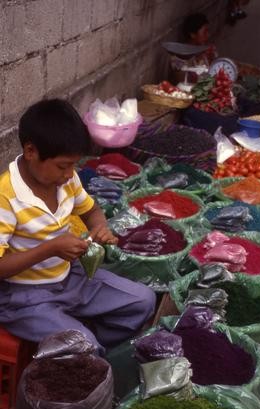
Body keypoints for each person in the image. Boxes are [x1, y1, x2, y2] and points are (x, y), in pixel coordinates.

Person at [0, 98, 156, 355]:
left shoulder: (67, 179)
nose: (69, 173)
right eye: (63, 165)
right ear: (31, 152)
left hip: (69, 277)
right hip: (21, 297)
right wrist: (50, 249)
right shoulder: (6, 196)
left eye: (73, 165)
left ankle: (91, 344)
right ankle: (84, 347)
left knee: (143, 301)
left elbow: (91, 211)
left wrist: (100, 228)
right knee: (85, 347)